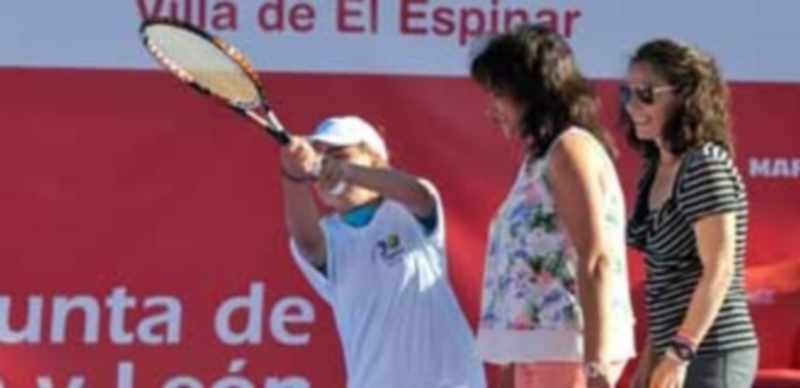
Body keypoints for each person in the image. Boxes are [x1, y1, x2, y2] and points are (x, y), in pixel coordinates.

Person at [469, 23, 636, 388]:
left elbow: (595, 259)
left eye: (499, 94)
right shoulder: (539, 159)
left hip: (566, 351)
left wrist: (595, 365)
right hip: (536, 353)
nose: (491, 110)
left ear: (533, 90)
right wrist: (512, 360)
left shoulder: (571, 149)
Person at [279, 115, 487, 388]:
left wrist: (348, 173)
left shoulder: (408, 206)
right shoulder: (327, 236)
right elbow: (306, 241)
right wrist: (293, 175)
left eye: (340, 154)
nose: (324, 166)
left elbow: (417, 194)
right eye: (319, 159)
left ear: (375, 160)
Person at [622, 38, 759, 388]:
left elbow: (719, 268)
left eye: (647, 94)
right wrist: (651, 359)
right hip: (676, 351)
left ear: (684, 96)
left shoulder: (704, 165)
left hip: (713, 352)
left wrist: (679, 353)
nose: (633, 106)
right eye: (628, 93)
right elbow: (667, 282)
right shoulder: (653, 167)